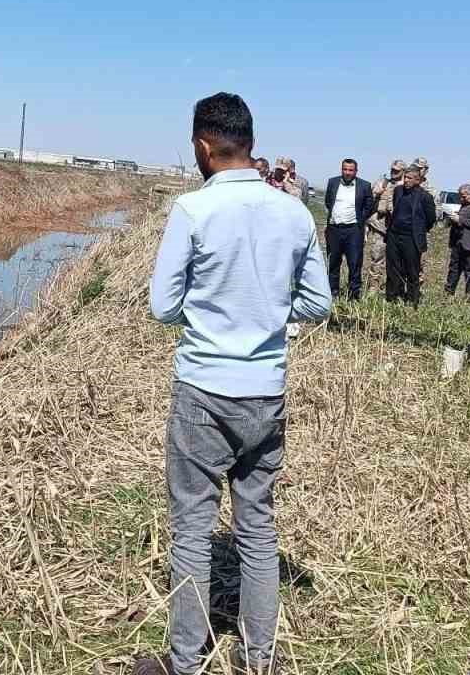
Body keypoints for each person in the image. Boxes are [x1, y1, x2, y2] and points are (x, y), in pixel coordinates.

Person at [142, 93, 331, 675]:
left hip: (203, 388)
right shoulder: (294, 213)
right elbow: (319, 303)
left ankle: (185, 662)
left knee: (192, 531)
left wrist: (207, 317)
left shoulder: (193, 210)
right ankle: (259, 659)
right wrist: (268, 317)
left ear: (204, 145)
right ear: (250, 142)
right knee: (257, 528)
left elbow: (162, 306)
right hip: (265, 391)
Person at [386, 164, 437, 305]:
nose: (406, 180)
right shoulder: (398, 191)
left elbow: (431, 218)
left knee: (412, 270)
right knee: (393, 268)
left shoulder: (425, 197)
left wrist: (419, 230)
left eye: (410, 178)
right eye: (405, 177)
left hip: (411, 238)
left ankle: (412, 300)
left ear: (417, 180)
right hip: (394, 235)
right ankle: (392, 297)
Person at [325, 158, 375, 300]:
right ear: (341, 169)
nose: (347, 172)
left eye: (350, 170)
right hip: (334, 229)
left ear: (356, 171)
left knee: (354, 263)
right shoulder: (332, 182)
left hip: (353, 230)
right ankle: (332, 292)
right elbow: (328, 202)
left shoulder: (364, 186)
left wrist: (360, 218)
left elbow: (369, 206)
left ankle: (353, 295)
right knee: (333, 262)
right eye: (345, 169)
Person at [365, 159, 405, 292]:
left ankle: (393, 289)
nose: (393, 172)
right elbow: (369, 199)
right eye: (392, 169)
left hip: (398, 229)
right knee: (376, 258)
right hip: (380, 228)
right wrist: (377, 193)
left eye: (397, 171)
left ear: (403, 171)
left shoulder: (406, 185)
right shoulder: (383, 183)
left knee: (397, 261)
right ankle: (373, 288)